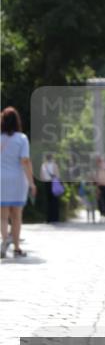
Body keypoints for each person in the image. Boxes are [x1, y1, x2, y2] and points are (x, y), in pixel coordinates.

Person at [1, 107, 35, 258]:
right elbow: (25, 161)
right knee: (16, 215)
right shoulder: (22, 138)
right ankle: (16, 248)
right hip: (17, 180)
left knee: (2, 216)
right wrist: (32, 183)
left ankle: (4, 241)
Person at [39, 153, 61, 223]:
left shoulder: (43, 165)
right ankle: (55, 218)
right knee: (55, 201)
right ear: (52, 158)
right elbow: (58, 175)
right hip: (53, 183)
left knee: (48, 201)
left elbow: (41, 176)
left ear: (46, 158)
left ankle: (48, 218)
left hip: (46, 183)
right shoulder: (54, 165)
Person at [94, 155, 105, 222]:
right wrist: (97, 188)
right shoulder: (96, 170)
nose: (100, 163)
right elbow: (95, 179)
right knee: (100, 202)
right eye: (99, 161)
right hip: (99, 187)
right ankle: (101, 215)